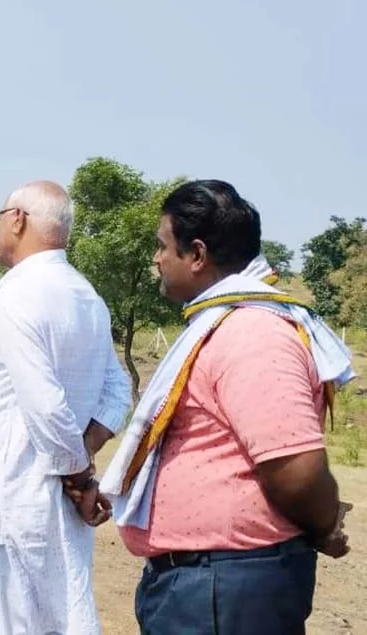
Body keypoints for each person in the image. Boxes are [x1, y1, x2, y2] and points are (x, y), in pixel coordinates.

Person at [99, 180, 355, 634]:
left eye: (162, 247)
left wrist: (322, 526)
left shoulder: (252, 333)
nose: (156, 260)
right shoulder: (225, 323)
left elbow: (294, 468)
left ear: (196, 255)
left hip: (226, 590)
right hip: (208, 586)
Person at [0, 181, 132, 635]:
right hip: (53, 500)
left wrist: (78, 477)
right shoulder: (86, 295)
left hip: (17, 501)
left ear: (16, 220)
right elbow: (118, 392)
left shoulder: (20, 294)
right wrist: (83, 463)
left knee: (12, 620)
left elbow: (45, 406)